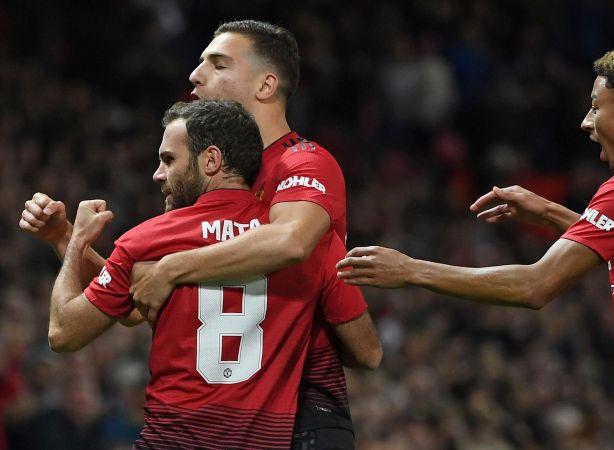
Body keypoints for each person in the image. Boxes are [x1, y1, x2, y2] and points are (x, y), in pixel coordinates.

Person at [337, 43, 614, 449]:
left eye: (596, 107)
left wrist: (411, 269)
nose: (586, 122)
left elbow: (535, 286)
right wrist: (552, 212)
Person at [21, 20, 381, 449]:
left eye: (218, 64)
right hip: (237, 412)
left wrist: (172, 267)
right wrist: (66, 240)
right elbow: (138, 299)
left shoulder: (301, 163)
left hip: (304, 409)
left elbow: (291, 242)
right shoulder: (205, 184)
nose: (195, 75)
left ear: (266, 85)